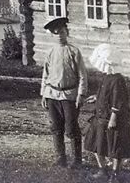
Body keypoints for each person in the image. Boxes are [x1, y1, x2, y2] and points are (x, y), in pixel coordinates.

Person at [83, 43, 130, 179]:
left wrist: (113, 118)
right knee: (97, 145)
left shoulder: (117, 79)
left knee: (116, 147)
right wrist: (96, 97)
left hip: (111, 119)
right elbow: (106, 93)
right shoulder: (106, 77)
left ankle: (115, 174)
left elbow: (118, 99)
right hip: (100, 117)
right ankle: (102, 170)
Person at [40, 16, 88, 168]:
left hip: (69, 96)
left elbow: (82, 75)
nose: (59, 35)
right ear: (52, 35)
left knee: (71, 127)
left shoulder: (73, 52)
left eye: (62, 32)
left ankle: (77, 160)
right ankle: (61, 157)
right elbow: (45, 75)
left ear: (66, 32)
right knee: (55, 127)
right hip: (52, 95)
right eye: (56, 33)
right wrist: (44, 94)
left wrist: (81, 94)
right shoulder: (50, 52)